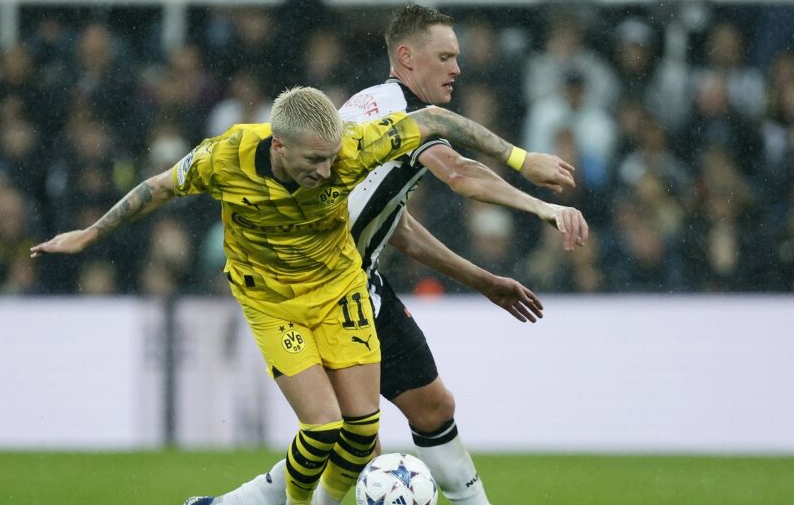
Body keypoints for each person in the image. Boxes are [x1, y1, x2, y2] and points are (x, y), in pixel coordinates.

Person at [31, 84, 584, 505]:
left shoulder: (352, 148)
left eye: (332, 158)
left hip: (341, 291)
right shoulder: (224, 156)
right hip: (273, 304)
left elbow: (436, 119)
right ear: (278, 146)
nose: (328, 170)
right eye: (314, 160)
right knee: (322, 429)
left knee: (362, 432)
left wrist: (521, 160)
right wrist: (91, 234)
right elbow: (158, 188)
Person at [198, 3, 588, 505]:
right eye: (445, 57)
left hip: (361, 282)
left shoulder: (367, 102)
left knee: (432, 406)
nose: (457, 68)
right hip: (320, 292)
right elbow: (460, 172)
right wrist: (542, 206)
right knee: (353, 441)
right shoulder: (401, 115)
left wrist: (482, 280)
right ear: (407, 57)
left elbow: (393, 224)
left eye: (456, 57)